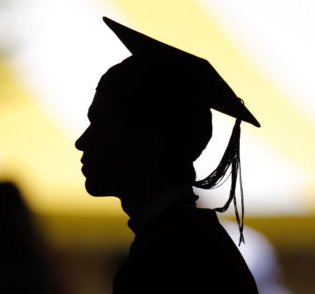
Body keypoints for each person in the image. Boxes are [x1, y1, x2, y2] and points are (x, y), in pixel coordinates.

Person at [75, 17, 260, 293]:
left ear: (147, 140)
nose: (82, 142)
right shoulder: (193, 243)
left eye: (100, 124)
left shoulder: (169, 261)